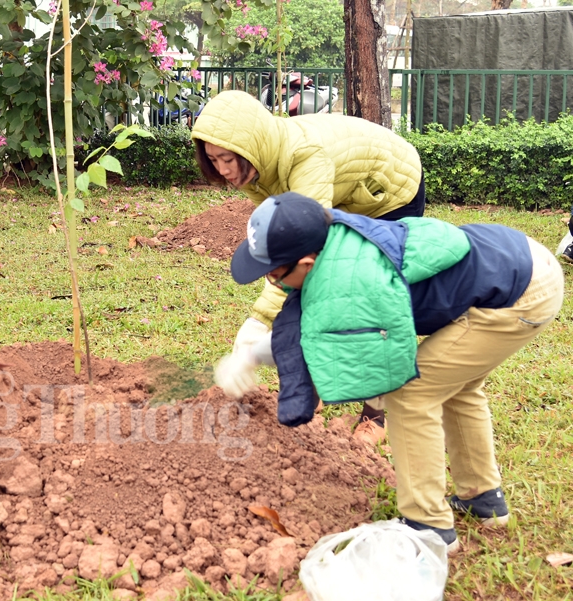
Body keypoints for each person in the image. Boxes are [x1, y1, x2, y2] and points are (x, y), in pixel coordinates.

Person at [218, 191, 563, 553]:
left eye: (275, 275)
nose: (274, 284)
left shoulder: (353, 279)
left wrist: (250, 356)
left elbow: (317, 336)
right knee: (455, 387)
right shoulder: (336, 241)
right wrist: (251, 354)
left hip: (521, 293)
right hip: (517, 261)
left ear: (306, 262)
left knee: (412, 393)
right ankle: (484, 501)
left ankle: (428, 527)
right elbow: (309, 321)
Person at [191, 90, 425, 445]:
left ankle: (375, 413)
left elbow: (297, 249)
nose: (222, 170)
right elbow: (281, 245)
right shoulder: (258, 168)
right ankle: (311, 390)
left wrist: (259, 320)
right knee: (312, 288)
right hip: (341, 197)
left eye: (227, 159)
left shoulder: (306, 161)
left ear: (249, 147)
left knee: (364, 298)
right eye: (214, 160)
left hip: (388, 192)